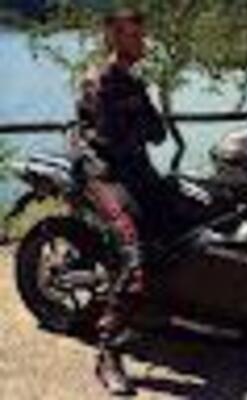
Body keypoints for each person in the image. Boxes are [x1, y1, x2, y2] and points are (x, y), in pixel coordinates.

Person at [74, 7, 169, 395]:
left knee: (191, 225)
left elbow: (158, 133)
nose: (141, 42)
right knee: (136, 254)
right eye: (133, 35)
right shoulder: (98, 81)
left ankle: (163, 310)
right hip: (104, 177)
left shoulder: (133, 81)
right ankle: (108, 351)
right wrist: (138, 124)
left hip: (136, 173)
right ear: (112, 37)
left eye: (142, 35)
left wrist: (137, 124)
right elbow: (112, 139)